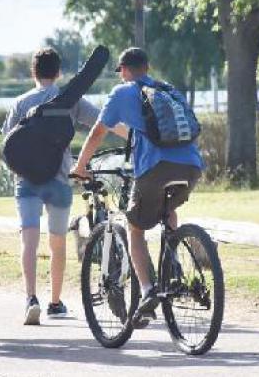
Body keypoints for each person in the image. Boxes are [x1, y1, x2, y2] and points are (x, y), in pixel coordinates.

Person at [71, 47, 204, 323]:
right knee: (168, 209)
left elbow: (98, 132)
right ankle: (174, 270)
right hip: (191, 166)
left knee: (135, 228)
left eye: (120, 73)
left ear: (125, 70)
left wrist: (80, 166)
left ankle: (147, 290)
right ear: (147, 67)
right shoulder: (167, 90)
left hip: (155, 168)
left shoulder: (124, 93)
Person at [3, 48, 126, 325]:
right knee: (57, 242)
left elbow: (8, 145)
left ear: (33, 72)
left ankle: (30, 299)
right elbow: (106, 123)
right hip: (58, 180)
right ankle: (55, 302)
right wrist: (135, 135)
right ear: (59, 72)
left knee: (29, 240)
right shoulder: (72, 100)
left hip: (26, 182)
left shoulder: (20, 103)